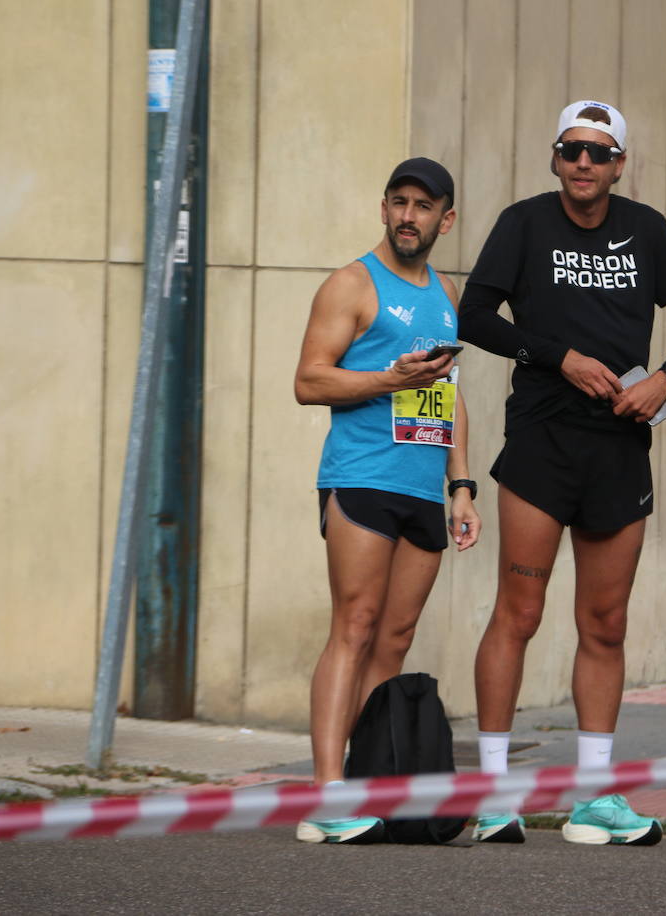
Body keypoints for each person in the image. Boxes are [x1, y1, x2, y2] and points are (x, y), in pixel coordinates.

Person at [458, 101, 666, 845]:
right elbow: (473, 316)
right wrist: (555, 356)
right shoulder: (524, 223)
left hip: (618, 448)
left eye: (598, 153)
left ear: (618, 165)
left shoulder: (647, 228)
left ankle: (595, 800)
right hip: (541, 443)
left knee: (604, 625)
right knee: (521, 612)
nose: (583, 163)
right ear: (554, 158)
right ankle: (495, 795)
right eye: (571, 149)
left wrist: (665, 379)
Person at [292, 158, 480, 844]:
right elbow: (309, 381)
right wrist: (384, 379)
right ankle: (327, 795)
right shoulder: (351, 284)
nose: (409, 215)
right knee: (356, 624)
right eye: (398, 202)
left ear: (445, 219)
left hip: (422, 488)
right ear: (383, 208)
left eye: (423, 206)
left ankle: (372, 781)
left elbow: (449, 396)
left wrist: (461, 486)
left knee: (394, 640)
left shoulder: (445, 293)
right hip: (362, 476)